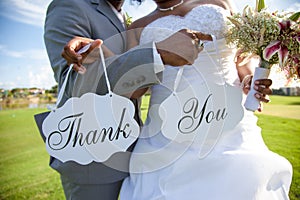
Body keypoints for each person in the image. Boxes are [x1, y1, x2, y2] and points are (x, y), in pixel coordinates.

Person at [114, 0, 292, 199]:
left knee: (245, 181)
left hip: (229, 122)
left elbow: (241, 58)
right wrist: (159, 55)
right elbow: (133, 90)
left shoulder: (219, 3)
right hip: (166, 135)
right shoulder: (137, 27)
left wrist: (250, 78)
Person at [43, 0, 211, 199]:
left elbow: (131, 84)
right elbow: (74, 84)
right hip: (95, 162)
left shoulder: (122, 17)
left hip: (139, 148)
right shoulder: (70, 6)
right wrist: (158, 53)